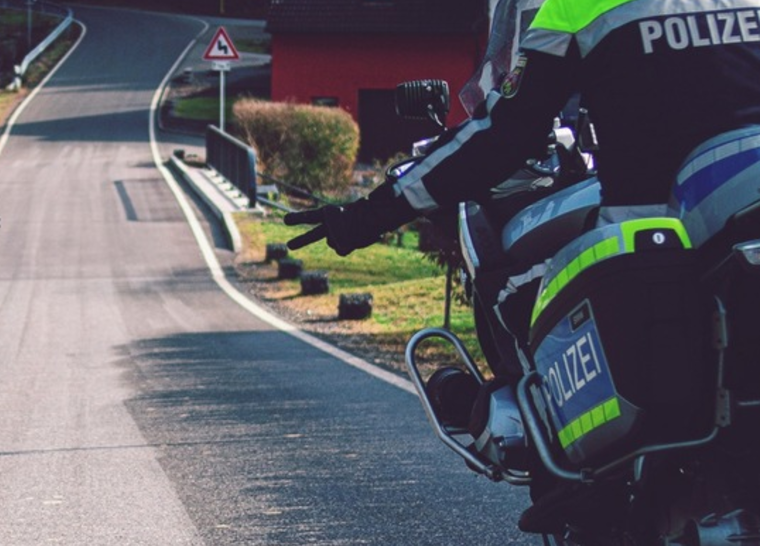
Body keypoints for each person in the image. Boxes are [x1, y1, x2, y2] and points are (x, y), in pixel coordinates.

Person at [285, 0, 760, 431]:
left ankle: (542, 433)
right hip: (736, 220)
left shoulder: (575, 8)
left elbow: (505, 136)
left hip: (650, 240)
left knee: (522, 295)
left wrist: (368, 214)